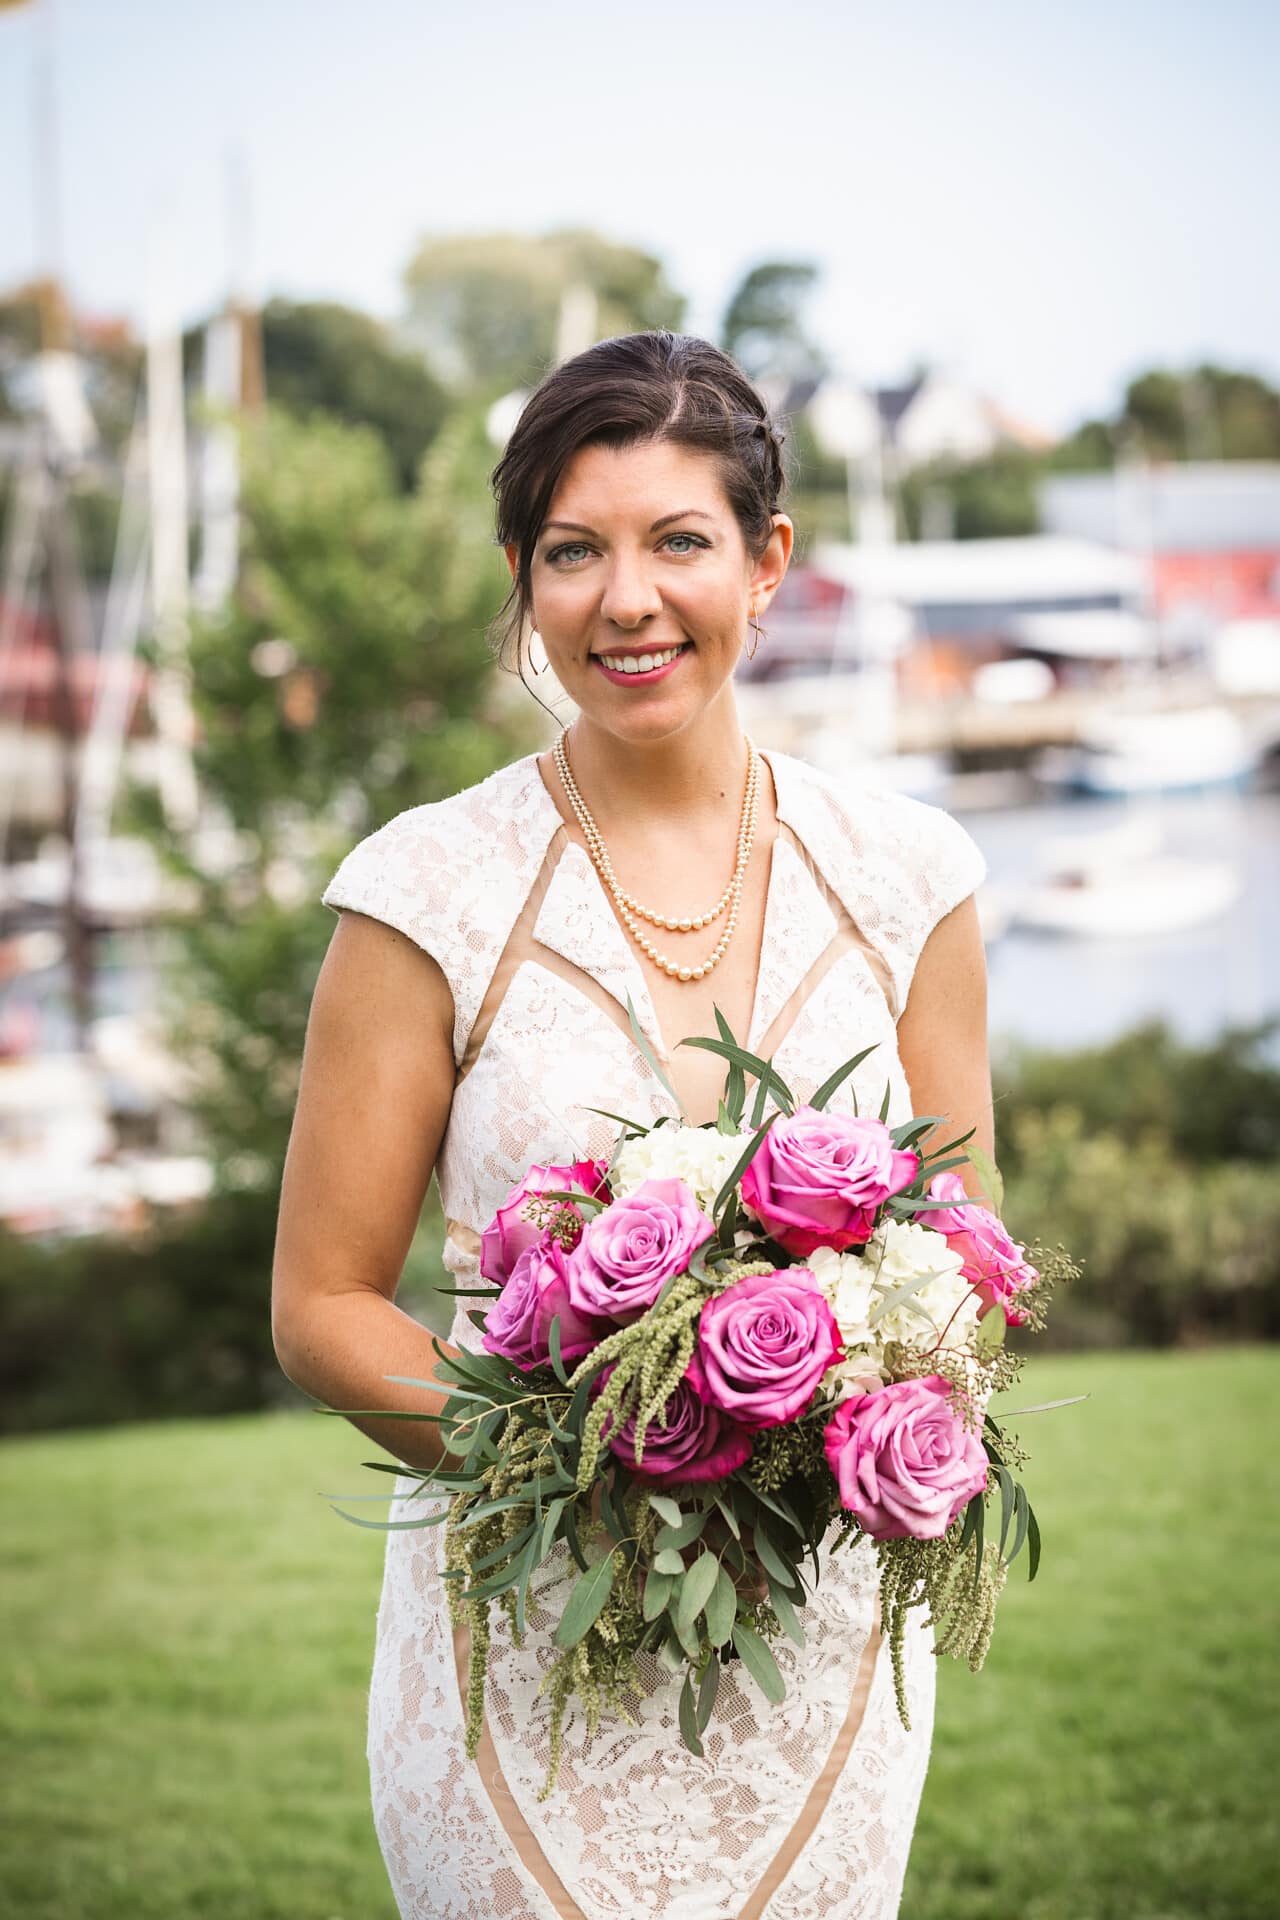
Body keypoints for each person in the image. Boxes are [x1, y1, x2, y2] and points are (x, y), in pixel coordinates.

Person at [271, 330, 993, 1919]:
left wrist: (850, 1410)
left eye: (679, 541)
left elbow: (968, 1265)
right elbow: (321, 1305)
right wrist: (593, 1469)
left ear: (767, 561)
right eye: (571, 552)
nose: (627, 599)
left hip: (824, 1666)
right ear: (524, 581)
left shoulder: (910, 877)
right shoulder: (424, 892)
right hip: (524, 1659)